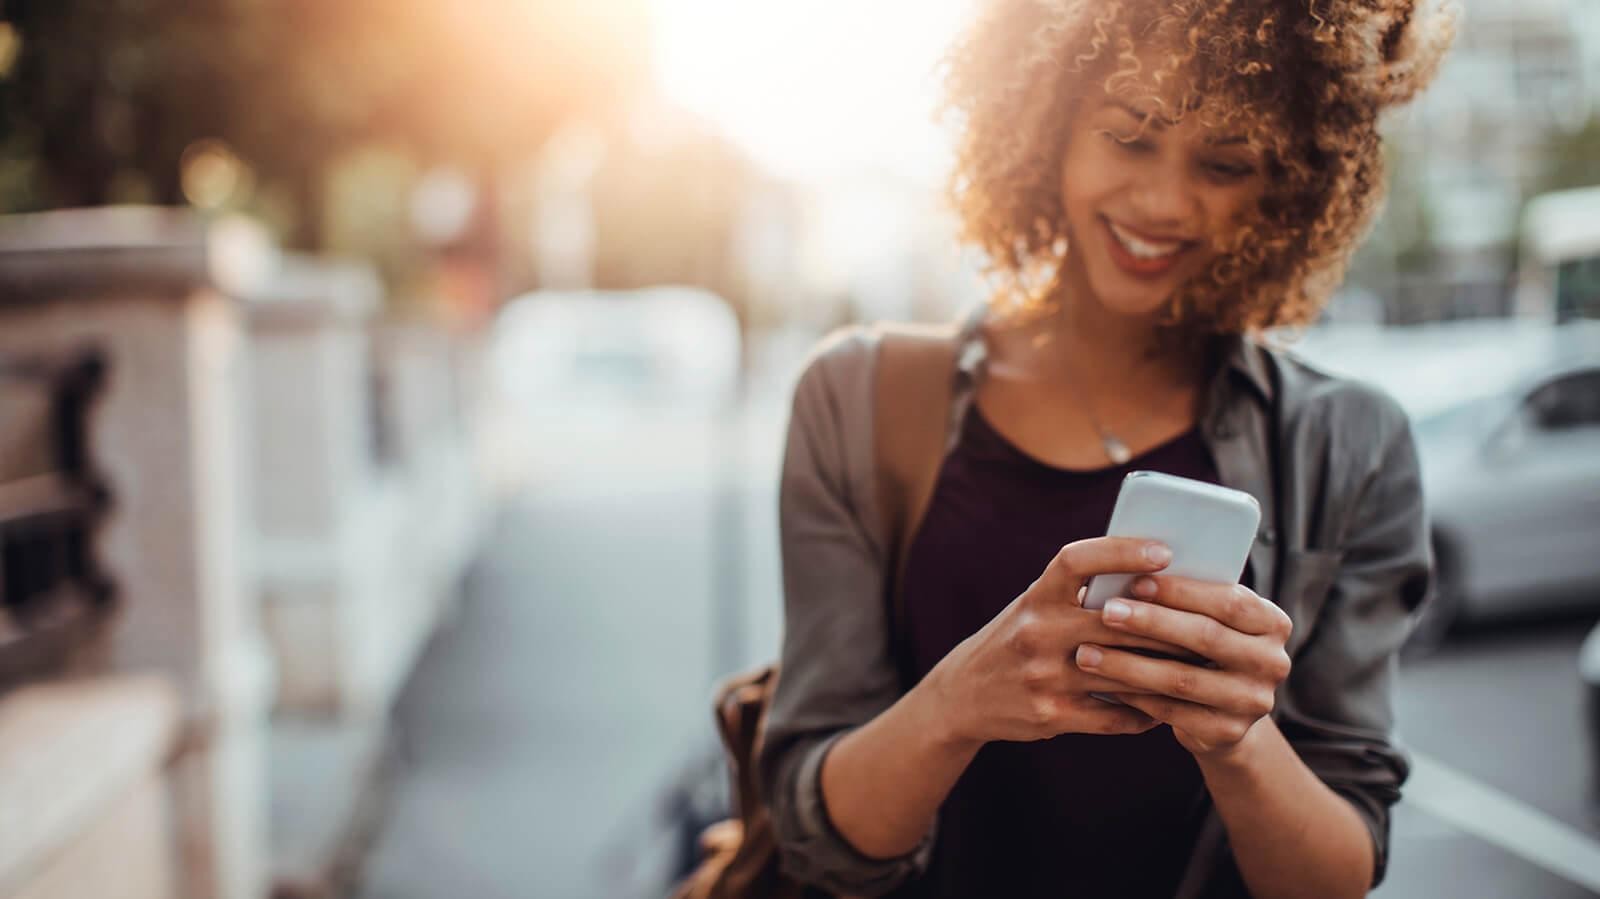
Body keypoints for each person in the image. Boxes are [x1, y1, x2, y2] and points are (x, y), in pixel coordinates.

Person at [758, 1, 1456, 897]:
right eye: (1130, 139)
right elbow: (814, 832)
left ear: (1289, 184)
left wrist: (1239, 736)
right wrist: (960, 701)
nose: (1163, 203)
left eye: (1225, 163)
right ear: (1043, 121)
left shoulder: (1353, 445)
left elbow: (1337, 876)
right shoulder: (856, 399)